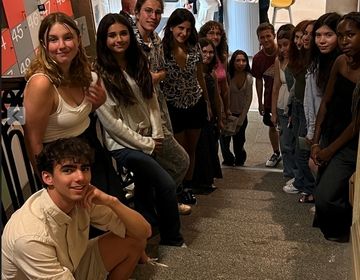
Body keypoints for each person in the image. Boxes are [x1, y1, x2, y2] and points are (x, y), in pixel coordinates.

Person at [2, 137, 151, 279]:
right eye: (68, 170)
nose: (80, 177)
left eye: (84, 168)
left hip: (71, 265)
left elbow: (143, 232)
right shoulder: (30, 237)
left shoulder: (82, 197)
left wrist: (112, 201)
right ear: (48, 178)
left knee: (135, 239)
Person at [94, 13, 184, 246]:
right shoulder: (99, 75)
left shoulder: (138, 62)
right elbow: (112, 124)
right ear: (103, 39)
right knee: (164, 183)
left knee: (146, 182)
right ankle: (172, 238)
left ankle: (147, 224)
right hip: (122, 145)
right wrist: (147, 144)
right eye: (112, 35)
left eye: (123, 33)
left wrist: (157, 132)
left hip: (147, 137)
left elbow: (151, 100)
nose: (119, 39)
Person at [23, 12, 125, 202]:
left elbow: (74, 116)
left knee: (113, 213)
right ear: (44, 45)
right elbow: (32, 140)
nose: (61, 46)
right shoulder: (41, 84)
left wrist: (99, 103)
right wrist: (49, 184)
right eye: (53, 40)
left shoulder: (85, 74)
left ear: (79, 40)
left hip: (90, 150)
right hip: (60, 161)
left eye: (68, 37)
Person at [128, 0, 192, 213]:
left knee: (164, 164)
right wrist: (150, 78)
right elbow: (134, 82)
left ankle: (160, 203)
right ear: (137, 13)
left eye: (157, 12)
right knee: (180, 161)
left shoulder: (155, 39)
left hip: (159, 108)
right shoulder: (129, 41)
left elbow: (162, 72)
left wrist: (153, 77)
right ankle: (159, 203)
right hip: (140, 115)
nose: (153, 16)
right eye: (148, 11)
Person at [311, 12, 360, 242]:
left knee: (326, 195)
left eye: (350, 35)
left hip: (349, 142)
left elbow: (356, 124)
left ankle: (342, 232)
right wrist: (316, 140)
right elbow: (326, 102)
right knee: (321, 186)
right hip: (330, 132)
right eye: (340, 36)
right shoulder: (340, 62)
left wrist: (329, 151)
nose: (344, 41)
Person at [162, 8, 210, 192]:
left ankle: (188, 186)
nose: (184, 33)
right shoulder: (162, 49)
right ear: (172, 27)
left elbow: (200, 77)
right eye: (180, 28)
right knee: (180, 152)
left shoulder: (194, 46)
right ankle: (178, 186)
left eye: (188, 29)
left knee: (192, 148)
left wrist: (206, 103)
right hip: (174, 105)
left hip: (194, 102)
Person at [303, 12, 340, 192]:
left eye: (328, 35)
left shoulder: (346, 63)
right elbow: (311, 101)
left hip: (341, 128)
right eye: (318, 35)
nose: (322, 40)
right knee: (315, 164)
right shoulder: (315, 64)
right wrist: (312, 132)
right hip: (321, 126)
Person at [283, 20, 316, 197]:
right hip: (298, 104)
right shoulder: (300, 55)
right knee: (297, 145)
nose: (301, 39)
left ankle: (308, 186)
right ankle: (301, 180)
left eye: (307, 35)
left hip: (308, 107)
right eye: (298, 36)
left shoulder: (313, 58)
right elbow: (296, 86)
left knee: (304, 148)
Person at [192, 38, 223, 193]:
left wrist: (220, 116)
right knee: (201, 148)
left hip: (211, 116)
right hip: (199, 113)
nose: (208, 55)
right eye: (204, 51)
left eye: (211, 52)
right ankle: (200, 182)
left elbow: (217, 96)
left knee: (211, 147)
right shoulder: (194, 73)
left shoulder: (211, 72)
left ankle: (208, 179)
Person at [252, 22, 281, 168]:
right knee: (272, 126)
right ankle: (277, 152)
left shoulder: (283, 52)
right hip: (269, 98)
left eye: (268, 36)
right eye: (262, 37)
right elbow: (258, 80)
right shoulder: (258, 59)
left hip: (284, 98)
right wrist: (260, 102)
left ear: (274, 36)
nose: (266, 40)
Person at [271, 24, 297, 181]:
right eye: (279, 45)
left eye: (285, 45)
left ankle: (298, 173)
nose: (282, 49)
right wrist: (273, 112)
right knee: (285, 143)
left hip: (295, 106)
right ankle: (289, 173)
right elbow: (275, 87)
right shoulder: (278, 61)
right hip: (282, 106)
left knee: (297, 144)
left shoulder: (299, 61)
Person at [220, 50, 253, 167]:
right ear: (232, 62)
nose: (241, 63)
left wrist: (241, 119)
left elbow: (248, 99)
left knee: (239, 142)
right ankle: (228, 159)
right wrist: (224, 113)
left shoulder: (249, 78)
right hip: (228, 114)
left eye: (244, 60)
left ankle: (240, 159)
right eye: (238, 60)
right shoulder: (228, 76)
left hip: (241, 114)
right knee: (224, 141)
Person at [199, 21, 230, 122]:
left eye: (218, 34)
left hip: (218, 104)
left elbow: (225, 86)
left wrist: (226, 109)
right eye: (211, 33)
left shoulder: (222, 57)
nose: (215, 37)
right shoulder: (199, 57)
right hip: (202, 104)